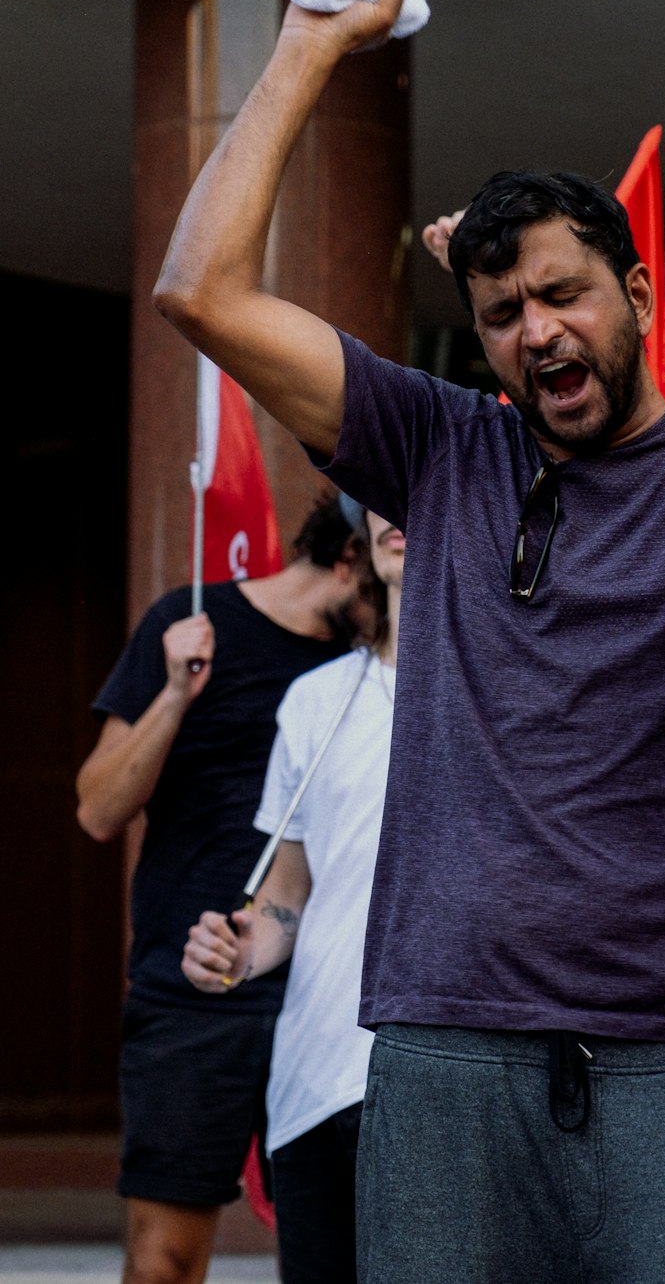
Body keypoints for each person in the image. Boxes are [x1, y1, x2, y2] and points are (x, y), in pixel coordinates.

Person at [150, 0, 665, 1284]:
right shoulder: (443, 448)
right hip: (446, 1048)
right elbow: (201, 294)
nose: (537, 332)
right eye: (502, 315)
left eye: (565, 296)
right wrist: (311, 41)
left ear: (642, 292)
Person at [76, 495, 373, 1284]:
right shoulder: (192, 621)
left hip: (323, 997)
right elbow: (99, 809)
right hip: (192, 984)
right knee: (165, 1262)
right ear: (352, 552)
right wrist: (175, 691)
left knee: (329, 1249)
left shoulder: (369, 667)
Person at [179, 503, 404, 1284]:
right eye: (378, 493)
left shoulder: (511, 689)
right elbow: (290, 892)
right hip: (316, 1080)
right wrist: (240, 950)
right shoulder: (315, 699)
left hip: (450, 1083)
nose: (393, 507)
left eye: (416, 485)